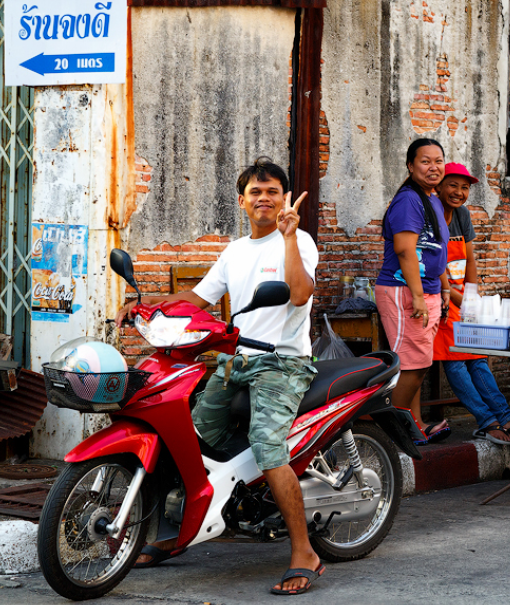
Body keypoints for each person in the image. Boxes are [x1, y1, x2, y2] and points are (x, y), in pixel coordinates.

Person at [115, 158, 324, 595]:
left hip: (282, 364)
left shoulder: (298, 240)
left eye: (272, 192)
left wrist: (287, 237)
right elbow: (197, 297)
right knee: (187, 438)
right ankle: (185, 529)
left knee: (269, 448)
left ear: (284, 197)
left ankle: (304, 551)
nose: (263, 199)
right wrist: (148, 307)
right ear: (242, 201)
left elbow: (301, 293)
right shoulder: (234, 251)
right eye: (255, 192)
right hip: (236, 362)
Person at [431, 162, 510, 445]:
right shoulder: (431, 214)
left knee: (477, 356)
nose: (459, 193)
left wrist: (473, 297)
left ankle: (503, 415)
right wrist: (465, 301)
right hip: (441, 297)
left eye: (464, 188)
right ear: (439, 186)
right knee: (456, 362)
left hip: (463, 298)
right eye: (453, 185)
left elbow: (470, 259)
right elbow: (431, 266)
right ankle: (487, 421)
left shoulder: (462, 215)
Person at [376, 139, 451, 445]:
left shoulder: (431, 197)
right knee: (413, 366)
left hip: (427, 291)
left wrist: (443, 287)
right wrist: (418, 296)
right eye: (425, 161)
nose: (433, 167)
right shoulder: (409, 200)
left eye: (438, 161)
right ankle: (390, 434)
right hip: (405, 292)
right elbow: (406, 251)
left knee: (416, 364)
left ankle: (414, 425)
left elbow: (436, 249)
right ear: (410, 165)